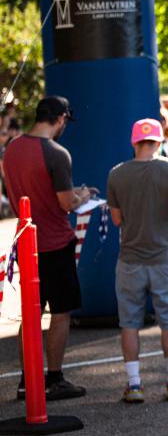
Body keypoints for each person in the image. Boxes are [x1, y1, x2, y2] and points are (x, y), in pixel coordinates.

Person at [2, 96, 95, 401]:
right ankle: (54, 378)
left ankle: (27, 380)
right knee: (60, 312)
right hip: (55, 241)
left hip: (26, 240)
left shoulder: (12, 148)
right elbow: (66, 203)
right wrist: (82, 195)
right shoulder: (57, 153)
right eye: (65, 120)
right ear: (59, 118)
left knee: (30, 315)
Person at [107, 119, 168, 403]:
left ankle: (134, 384)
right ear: (159, 141)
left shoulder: (116, 174)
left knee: (129, 322)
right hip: (163, 258)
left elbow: (117, 220)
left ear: (134, 142)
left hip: (130, 258)